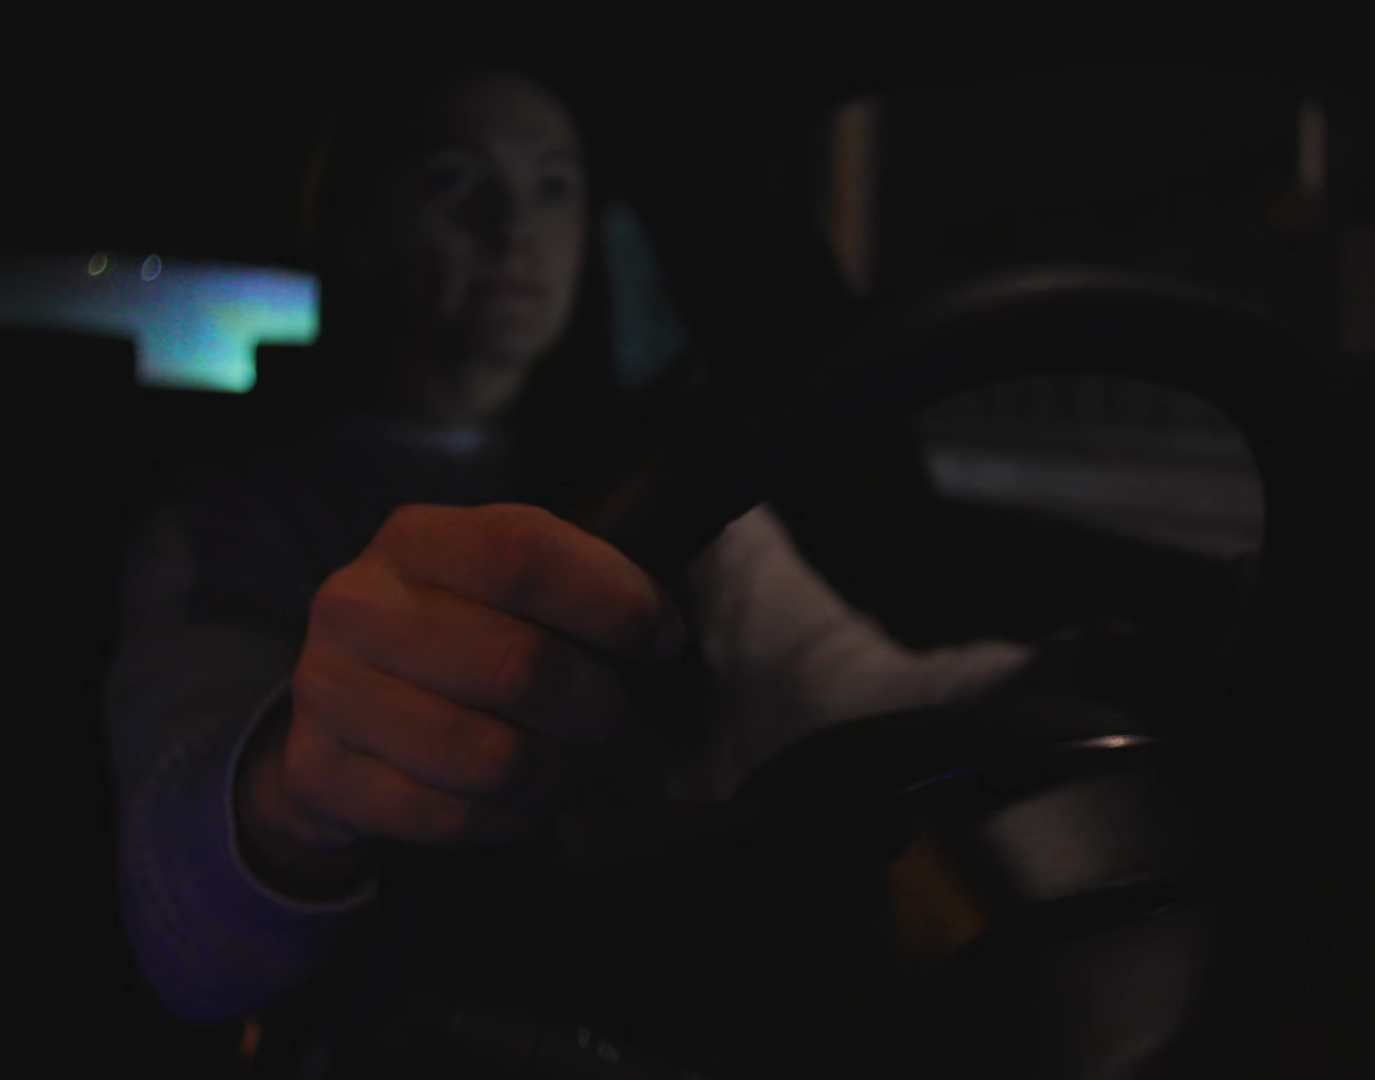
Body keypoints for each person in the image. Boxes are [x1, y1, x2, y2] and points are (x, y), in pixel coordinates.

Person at [103, 61, 1042, 1034]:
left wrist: (1075, 672)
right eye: (455, 180)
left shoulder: (672, 479)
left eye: (554, 185)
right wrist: (295, 787)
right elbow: (184, 900)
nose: (514, 226)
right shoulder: (235, 513)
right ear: (359, 227)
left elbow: (847, 686)